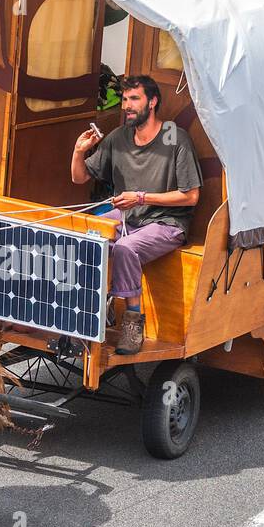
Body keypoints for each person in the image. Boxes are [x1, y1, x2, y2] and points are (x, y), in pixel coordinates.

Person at [71, 74, 201, 355]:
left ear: (152, 102)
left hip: (167, 222)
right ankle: (86, 311)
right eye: (125, 99)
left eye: (134, 99)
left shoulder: (175, 138)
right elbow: (79, 178)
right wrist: (78, 152)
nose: (127, 106)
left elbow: (191, 196)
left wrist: (140, 197)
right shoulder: (118, 138)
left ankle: (132, 322)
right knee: (85, 233)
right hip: (130, 217)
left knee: (127, 249)